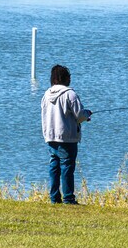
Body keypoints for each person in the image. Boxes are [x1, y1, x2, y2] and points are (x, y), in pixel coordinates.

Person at [41, 64, 92, 205]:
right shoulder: (70, 94)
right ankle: (68, 198)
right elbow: (80, 115)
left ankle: (54, 197)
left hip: (51, 136)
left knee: (54, 167)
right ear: (66, 79)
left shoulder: (46, 94)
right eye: (69, 77)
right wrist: (87, 114)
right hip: (67, 137)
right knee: (67, 167)